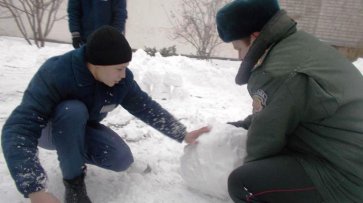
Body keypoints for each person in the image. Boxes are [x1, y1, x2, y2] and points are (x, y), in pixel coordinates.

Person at [1, 26, 208, 203]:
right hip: (49, 130)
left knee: (121, 159)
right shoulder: (56, 73)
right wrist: (34, 189)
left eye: (125, 68)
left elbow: (146, 107)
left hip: (81, 128)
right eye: (119, 69)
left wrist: (182, 134)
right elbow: (18, 129)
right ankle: (74, 185)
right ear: (96, 64)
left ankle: (71, 153)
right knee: (72, 110)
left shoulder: (121, 81)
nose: (123, 75)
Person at [216, 0, 363, 202]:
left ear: (255, 37)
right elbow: (279, 108)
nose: (240, 57)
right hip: (345, 155)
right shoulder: (299, 45)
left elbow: (264, 142)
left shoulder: (278, 70)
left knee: (243, 182)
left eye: (238, 48)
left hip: (345, 176)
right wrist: (236, 127)